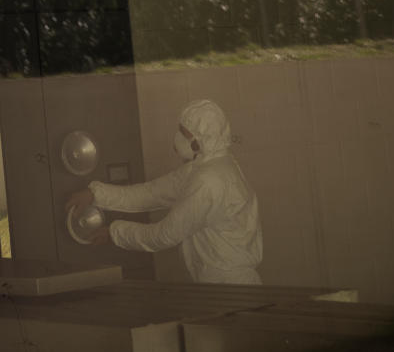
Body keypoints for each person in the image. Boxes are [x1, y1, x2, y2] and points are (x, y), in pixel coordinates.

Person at [65, 99, 263, 284]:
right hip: (217, 282)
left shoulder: (210, 180)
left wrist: (114, 233)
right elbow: (150, 194)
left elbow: (165, 234)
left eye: (184, 134)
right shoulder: (206, 166)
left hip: (229, 286)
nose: (177, 139)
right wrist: (94, 194)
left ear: (200, 140)